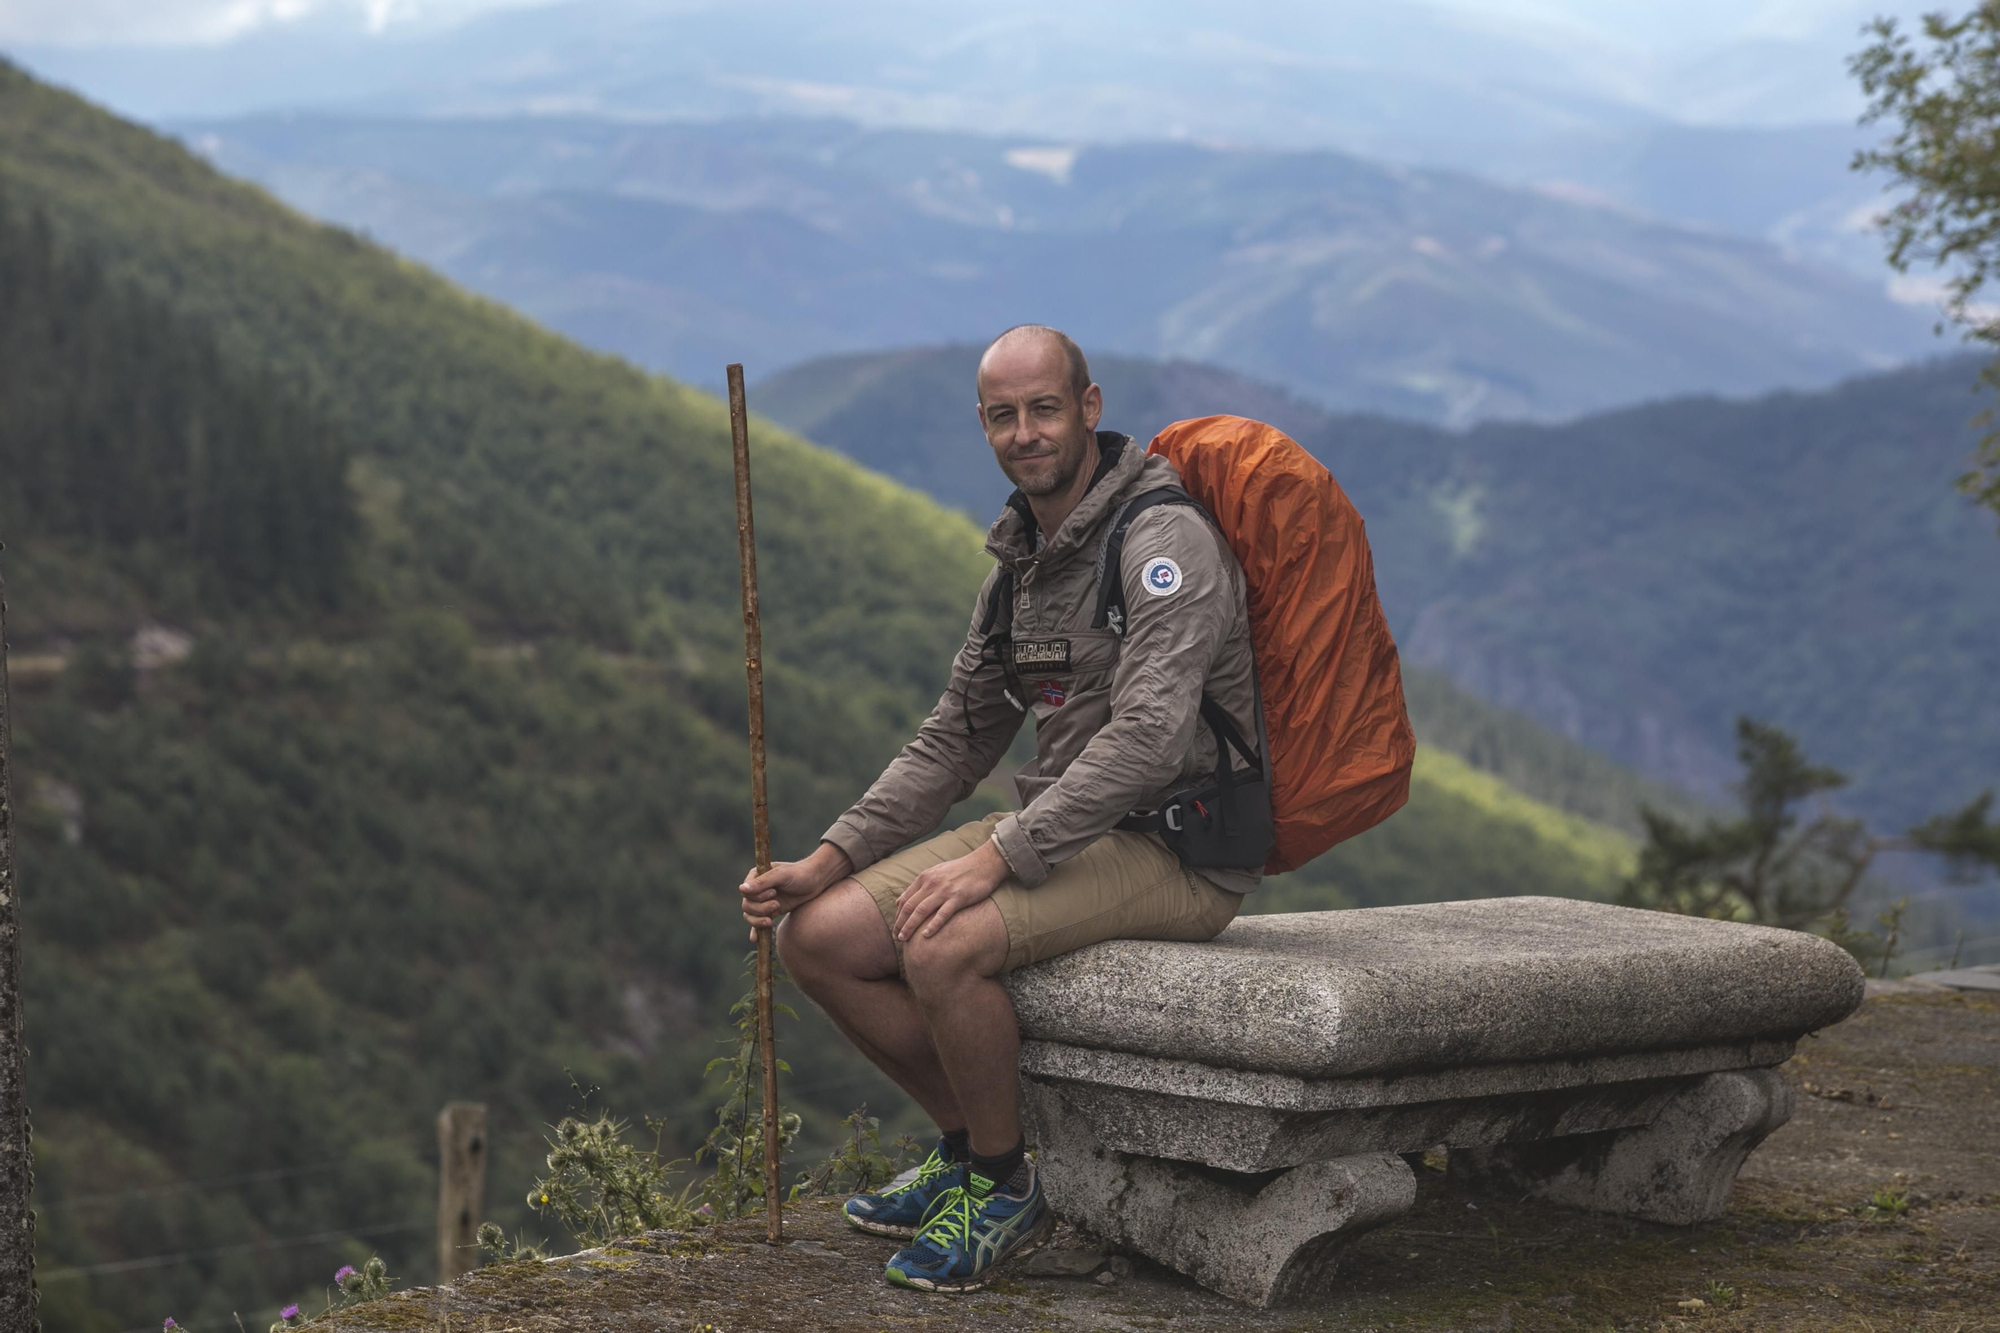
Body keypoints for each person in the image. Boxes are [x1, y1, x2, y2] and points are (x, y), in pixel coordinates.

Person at [739, 323, 1265, 1293]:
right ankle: (961, 1144)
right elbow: (954, 739)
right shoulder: (1018, 567)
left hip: (1173, 845)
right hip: (1061, 827)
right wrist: (828, 856)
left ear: (1090, 408)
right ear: (982, 425)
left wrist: (994, 859)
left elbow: (1150, 739)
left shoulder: (1160, 542)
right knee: (816, 936)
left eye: (1044, 408)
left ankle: (1001, 1184)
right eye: (1002, 415)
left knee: (939, 939)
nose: (1024, 432)